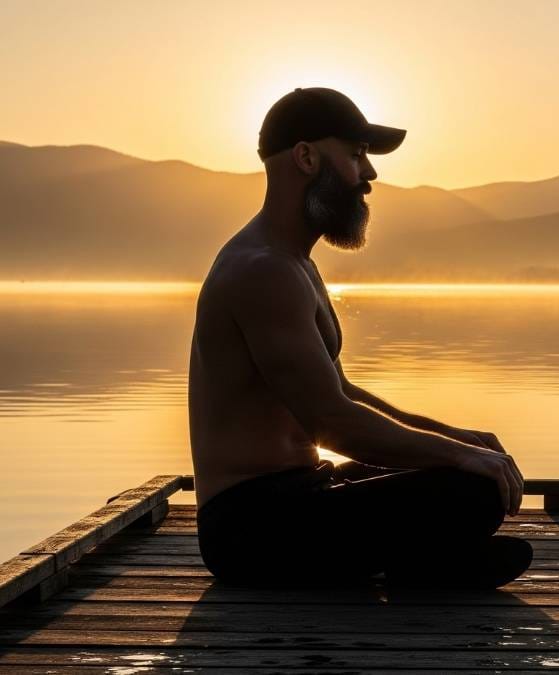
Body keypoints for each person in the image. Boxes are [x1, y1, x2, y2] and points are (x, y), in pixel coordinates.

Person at [187, 87, 531, 589]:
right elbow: (331, 423)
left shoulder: (294, 263)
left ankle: (420, 560)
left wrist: (450, 437)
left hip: (298, 494)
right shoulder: (260, 271)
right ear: (306, 157)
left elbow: (341, 394)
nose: (369, 175)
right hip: (250, 529)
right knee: (469, 489)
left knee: (473, 475)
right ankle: (424, 562)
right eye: (355, 155)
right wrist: (457, 457)